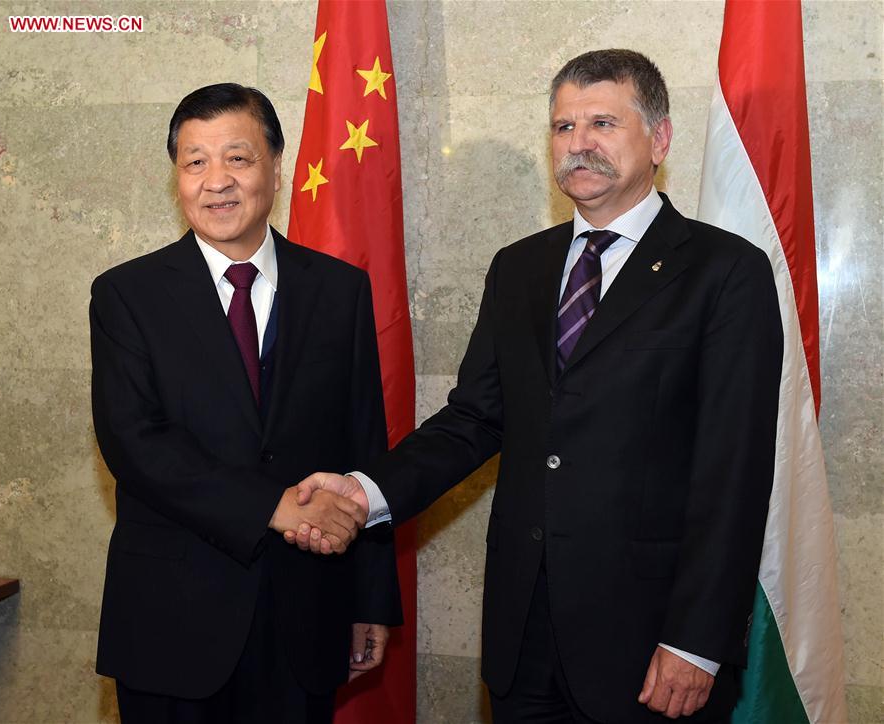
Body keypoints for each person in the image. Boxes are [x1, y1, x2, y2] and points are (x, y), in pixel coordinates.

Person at [292, 50, 783, 723]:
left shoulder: (725, 272)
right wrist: (365, 491)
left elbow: (734, 472)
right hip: (523, 638)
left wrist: (696, 644)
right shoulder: (519, 267)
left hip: (648, 645)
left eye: (603, 123)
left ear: (659, 138)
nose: (578, 144)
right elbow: (474, 418)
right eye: (562, 127)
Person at [90, 83, 401, 724]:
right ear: (175, 177)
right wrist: (275, 506)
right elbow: (133, 442)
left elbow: (364, 446)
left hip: (307, 612)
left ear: (276, 167)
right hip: (173, 619)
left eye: (237, 157)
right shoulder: (127, 295)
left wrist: (370, 597)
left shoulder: (339, 291)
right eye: (194, 162)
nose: (216, 182)